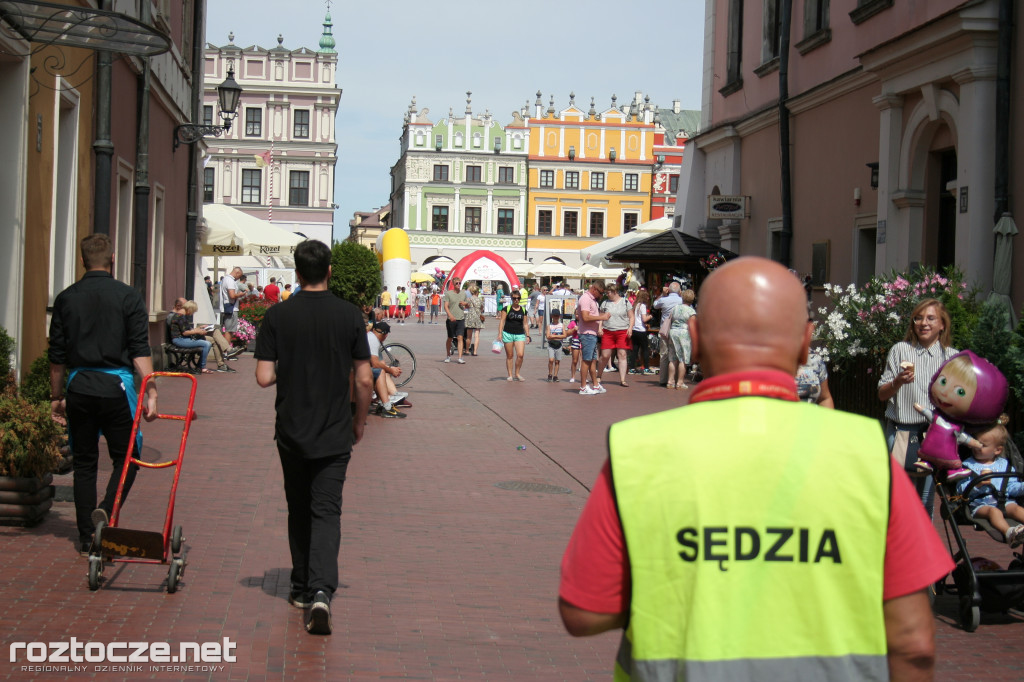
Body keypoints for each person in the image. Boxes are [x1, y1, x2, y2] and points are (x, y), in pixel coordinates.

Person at [559, 256, 952, 681]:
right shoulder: (867, 455)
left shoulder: (638, 451)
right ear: (805, 343)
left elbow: (584, 611)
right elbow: (913, 642)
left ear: (695, 336)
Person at [255, 239, 374, 636]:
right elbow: (363, 377)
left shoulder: (277, 316)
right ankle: (322, 590)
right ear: (329, 271)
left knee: (298, 507)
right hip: (335, 430)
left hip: (291, 428)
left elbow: (263, 377)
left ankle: (301, 587)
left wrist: (289, 364)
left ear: (298, 271)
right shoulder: (349, 315)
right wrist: (359, 421)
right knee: (327, 510)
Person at [48, 233, 159, 554]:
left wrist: (56, 397)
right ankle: (107, 511)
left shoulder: (67, 298)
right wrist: (150, 390)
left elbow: (57, 356)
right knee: (128, 460)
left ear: (83, 261)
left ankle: (85, 537)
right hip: (116, 388)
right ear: (112, 260)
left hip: (80, 385)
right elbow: (140, 349)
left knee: (84, 464)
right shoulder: (128, 297)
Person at [877, 298, 958, 514]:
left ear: (942, 324)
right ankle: (896, 546)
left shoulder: (951, 357)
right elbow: (882, 394)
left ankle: (922, 547)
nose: (924, 323)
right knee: (899, 500)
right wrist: (898, 382)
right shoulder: (900, 350)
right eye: (918, 318)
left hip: (934, 436)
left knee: (926, 501)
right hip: (901, 432)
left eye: (931, 318)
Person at [957, 420, 1024, 547]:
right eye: (975, 442)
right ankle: (1009, 533)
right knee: (994, 512)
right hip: (980, 505)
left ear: (997, 450)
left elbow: (1012, 487)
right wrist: (977, 485)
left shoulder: (1005, 465)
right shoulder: (967, 465)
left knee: (1017, 509)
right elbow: (960, 489)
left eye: (982, 445)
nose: (977, 447)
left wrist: (1022, 487)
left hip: (1004, 501)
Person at [365, 321, 409, 418]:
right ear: (385, 335)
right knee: (380, 372)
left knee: (380, 371)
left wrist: (388, 369)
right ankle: (386, 407)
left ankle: (383, 404)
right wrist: (391, 370)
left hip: (358, 367)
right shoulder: (373, 340)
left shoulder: (370, 336)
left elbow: (377, 363)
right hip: (357, 370)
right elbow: (375, 363)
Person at [577, 281, 610, 395]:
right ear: (594, 289)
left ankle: (595, 385)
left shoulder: (592, 300)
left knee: (592, 360)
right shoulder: (586, 298)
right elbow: (585, 317)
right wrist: (602, 317)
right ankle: (583, 387)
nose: (601, 296)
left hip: (592, 333)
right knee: (586, 360)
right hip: (587, 333)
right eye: (600, 293)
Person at [597, 284, 634, 388]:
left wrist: (630, 328)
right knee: (605, 355)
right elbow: (601, 316)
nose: (607, 294)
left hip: (622, 331)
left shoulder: (625, 302)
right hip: (608, 331)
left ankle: (622, 379)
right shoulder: (605, 303)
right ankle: (599, 375)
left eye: (608, 292)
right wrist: (600, 328)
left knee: (622, 354)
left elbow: (631, 316)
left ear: (615, 292)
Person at [168, 299, 214, 374]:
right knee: (207, 344)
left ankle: (200, 365)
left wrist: (200, 328)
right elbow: (185, 333)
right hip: (179, 340)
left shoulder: (181, 316)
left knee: (206, 342)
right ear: (189, 309)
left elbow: (188, 329)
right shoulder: (180, 317)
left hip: (182, 339)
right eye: (193, 311)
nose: (192, 313)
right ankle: (202, 367)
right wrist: (197, 331)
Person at [666, 289, 697, 389]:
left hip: (673, 332)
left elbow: (670, 319)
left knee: (672, 358)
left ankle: (670, 381)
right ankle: (680, 382)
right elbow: (692, 326)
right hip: (684, 333)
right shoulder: (691, 311)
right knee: (683, 359)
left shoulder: (675, 308)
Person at [497, 288, 530, 381]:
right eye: (514, 298)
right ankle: (510, 374)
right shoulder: (506, 309)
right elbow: (502, 321)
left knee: (520, 355)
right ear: (511, 298)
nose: (516, 300)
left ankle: (517, 373)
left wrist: (528, 335)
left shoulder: (523, 310)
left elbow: (525, 323)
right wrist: (500, 333)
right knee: (510, 355)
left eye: (518, 298)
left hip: (519, 334)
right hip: (508, 333)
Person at [443, 277, 467, 363]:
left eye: (460, 283)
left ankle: (460, 357)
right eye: (456, 283)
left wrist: (465, 304)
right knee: (450, 338)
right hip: (451, 319)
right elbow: (446, 306)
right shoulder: (448, 294)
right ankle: (448, 355)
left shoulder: (463, 294)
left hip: (460, 318)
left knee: (460, 337)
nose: (458, 285)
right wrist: (450, 315)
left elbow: (467, 305)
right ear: (453, 284)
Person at [220, 266, 246, 346]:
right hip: (231, 308)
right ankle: (226, 350)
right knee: (230, 330)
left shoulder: (225, 279)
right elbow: (232, 295)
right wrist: (240, 294)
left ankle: (226, 350)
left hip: (229, 306)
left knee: (229, 330)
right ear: (237, 272)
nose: (239, 278)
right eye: (239, 275)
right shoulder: (230, 281)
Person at [629, 289, 653, 375]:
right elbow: (644, 319)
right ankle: (646, 368)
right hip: (641, 330)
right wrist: (650, 316)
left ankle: (632, 368)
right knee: (645, 349)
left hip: (635, 329)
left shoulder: (635, 305)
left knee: (635, 349)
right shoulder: (642, 306)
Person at [546, 309, 567, 382]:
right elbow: (548, 336)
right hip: (551, 345)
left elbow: (564, 335)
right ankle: (550, 374)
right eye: (554, 316)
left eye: (557, 316)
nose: (556, 317)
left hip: (559, 345)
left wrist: (553, 336)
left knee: (557, 361)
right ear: (552, 316)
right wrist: (558, 336)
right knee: (551, 360)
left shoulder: (561, 325)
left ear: (559, 316)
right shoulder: (549, 326)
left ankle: (555, 375)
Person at [464, 285, 485, 356]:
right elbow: (482, 308)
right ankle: (475, 351)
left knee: (469, 336)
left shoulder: (469, 299)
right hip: (478, 317)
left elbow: (466, 306)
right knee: (477, 335)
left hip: (470, 317)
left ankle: (467, 350)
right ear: (477, 292)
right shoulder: (480, 300)